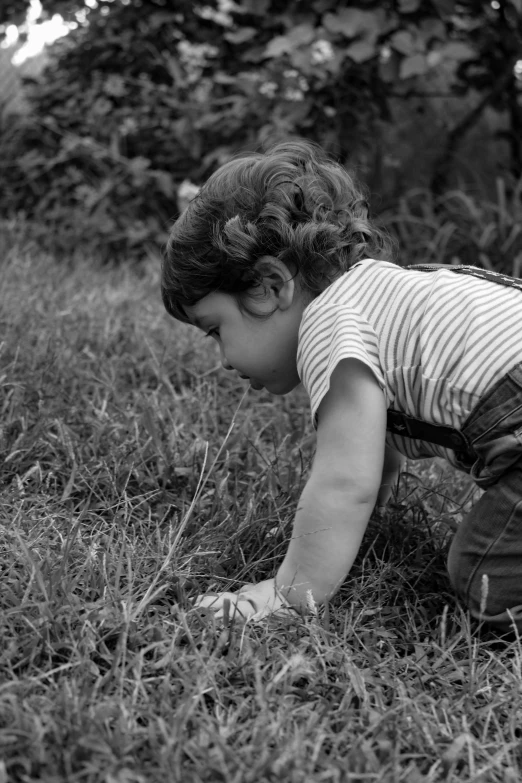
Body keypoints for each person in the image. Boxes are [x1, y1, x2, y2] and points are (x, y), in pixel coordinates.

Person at [161, 139, 522, 634]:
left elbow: (345, 481)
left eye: (215, 329)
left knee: (487, 581)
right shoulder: (381, 295)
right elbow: (372, 455)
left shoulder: (330, 322)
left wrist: (290, 594)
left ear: (270, 285)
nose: (222, 360)